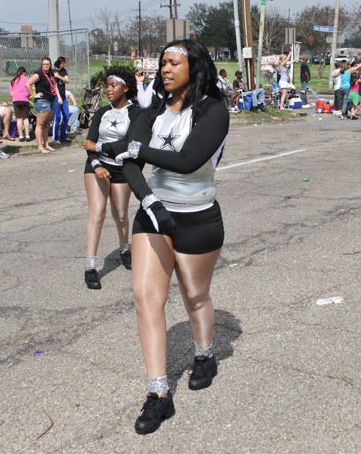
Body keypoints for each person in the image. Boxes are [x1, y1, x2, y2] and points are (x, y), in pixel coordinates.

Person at [99, 39, 229, 435]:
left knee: (194, 295)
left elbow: (189, 161)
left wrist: (133, 147)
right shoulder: (151, 109)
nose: (166, 69)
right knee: (145, 299)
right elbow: (130, 161)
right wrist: (149, 200)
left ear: (196, 66)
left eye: (174, 62)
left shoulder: (213, 111)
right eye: (163, 63)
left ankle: (204, 354)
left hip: (197, 218)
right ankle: (159, 394)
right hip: (154, 215)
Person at [80, 67, 142, 289]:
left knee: (121, 215)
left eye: (112, 85)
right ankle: (91, 266)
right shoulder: (102, 112)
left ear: (125, 87)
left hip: (121, 167)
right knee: (97, 213)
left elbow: (130, 145)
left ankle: (125, 249)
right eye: (106, 85)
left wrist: (101, 147)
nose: (108, 90)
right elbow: (89, 143)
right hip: (97, 165)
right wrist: (96, 165)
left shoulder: (135, 113)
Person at [25, 58, 58, 154]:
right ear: (42, 65)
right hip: (42, 101)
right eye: (44, 64)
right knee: (40, 124)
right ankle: (40, 146)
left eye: (48, 64)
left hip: (51, 100)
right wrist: (33, 94)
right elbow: (28, 84)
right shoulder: (38, 74)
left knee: (45, 124)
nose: (46, 65)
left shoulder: (51, 74)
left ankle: (46, 145)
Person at [9, 67, 32, 142]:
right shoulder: (27, 79)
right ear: (24, 72)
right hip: (24, 99)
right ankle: (27, 135)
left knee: (19, 118)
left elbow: (11, 92)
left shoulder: (14, 80)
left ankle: (21, 136)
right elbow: (30, 90)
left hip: (16, 100)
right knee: (25, 118)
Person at [52, 57, 71, 144]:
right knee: (57, 117)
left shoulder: (63, 71)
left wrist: (59, 76)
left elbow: (67, 80)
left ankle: (63, 135)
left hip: (63, 96)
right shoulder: (53, 72)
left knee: (66, 115)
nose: (65, 64)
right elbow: (55, 86)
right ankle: (55, 137)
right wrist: (59, 97)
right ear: (61, 62)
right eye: (64, 62)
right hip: (57, 97)